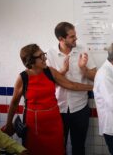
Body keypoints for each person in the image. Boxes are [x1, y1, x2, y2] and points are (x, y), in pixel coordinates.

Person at [2, 44, 93, 155]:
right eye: (40, 56)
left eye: (43, 54)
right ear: (30, 61)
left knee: (57, 151)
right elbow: (14, 103)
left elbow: (71, 85)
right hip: (33, 127)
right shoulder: (23, 78)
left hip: (54, 124)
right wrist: (9, 124)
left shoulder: (50, 71)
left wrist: (95, 87)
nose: (45, 58)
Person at [46, 22, 97, 155]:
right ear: (61, 39)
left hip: (80, 108)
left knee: (79, 147)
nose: (76, 39)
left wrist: (83, 69)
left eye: (75, 35)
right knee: (58, 147)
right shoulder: (49, 55)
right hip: (58, 109)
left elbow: (95, 76)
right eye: (72, 36)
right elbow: (48, 83)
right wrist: (62, 71)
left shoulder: (82, 50)